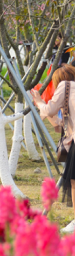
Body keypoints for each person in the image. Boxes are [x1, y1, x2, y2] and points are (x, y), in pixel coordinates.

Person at [32, 65, 75, 207]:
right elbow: (60, 125)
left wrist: (39, 102)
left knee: (73, 182)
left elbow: (50, 110)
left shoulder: (65, 85)